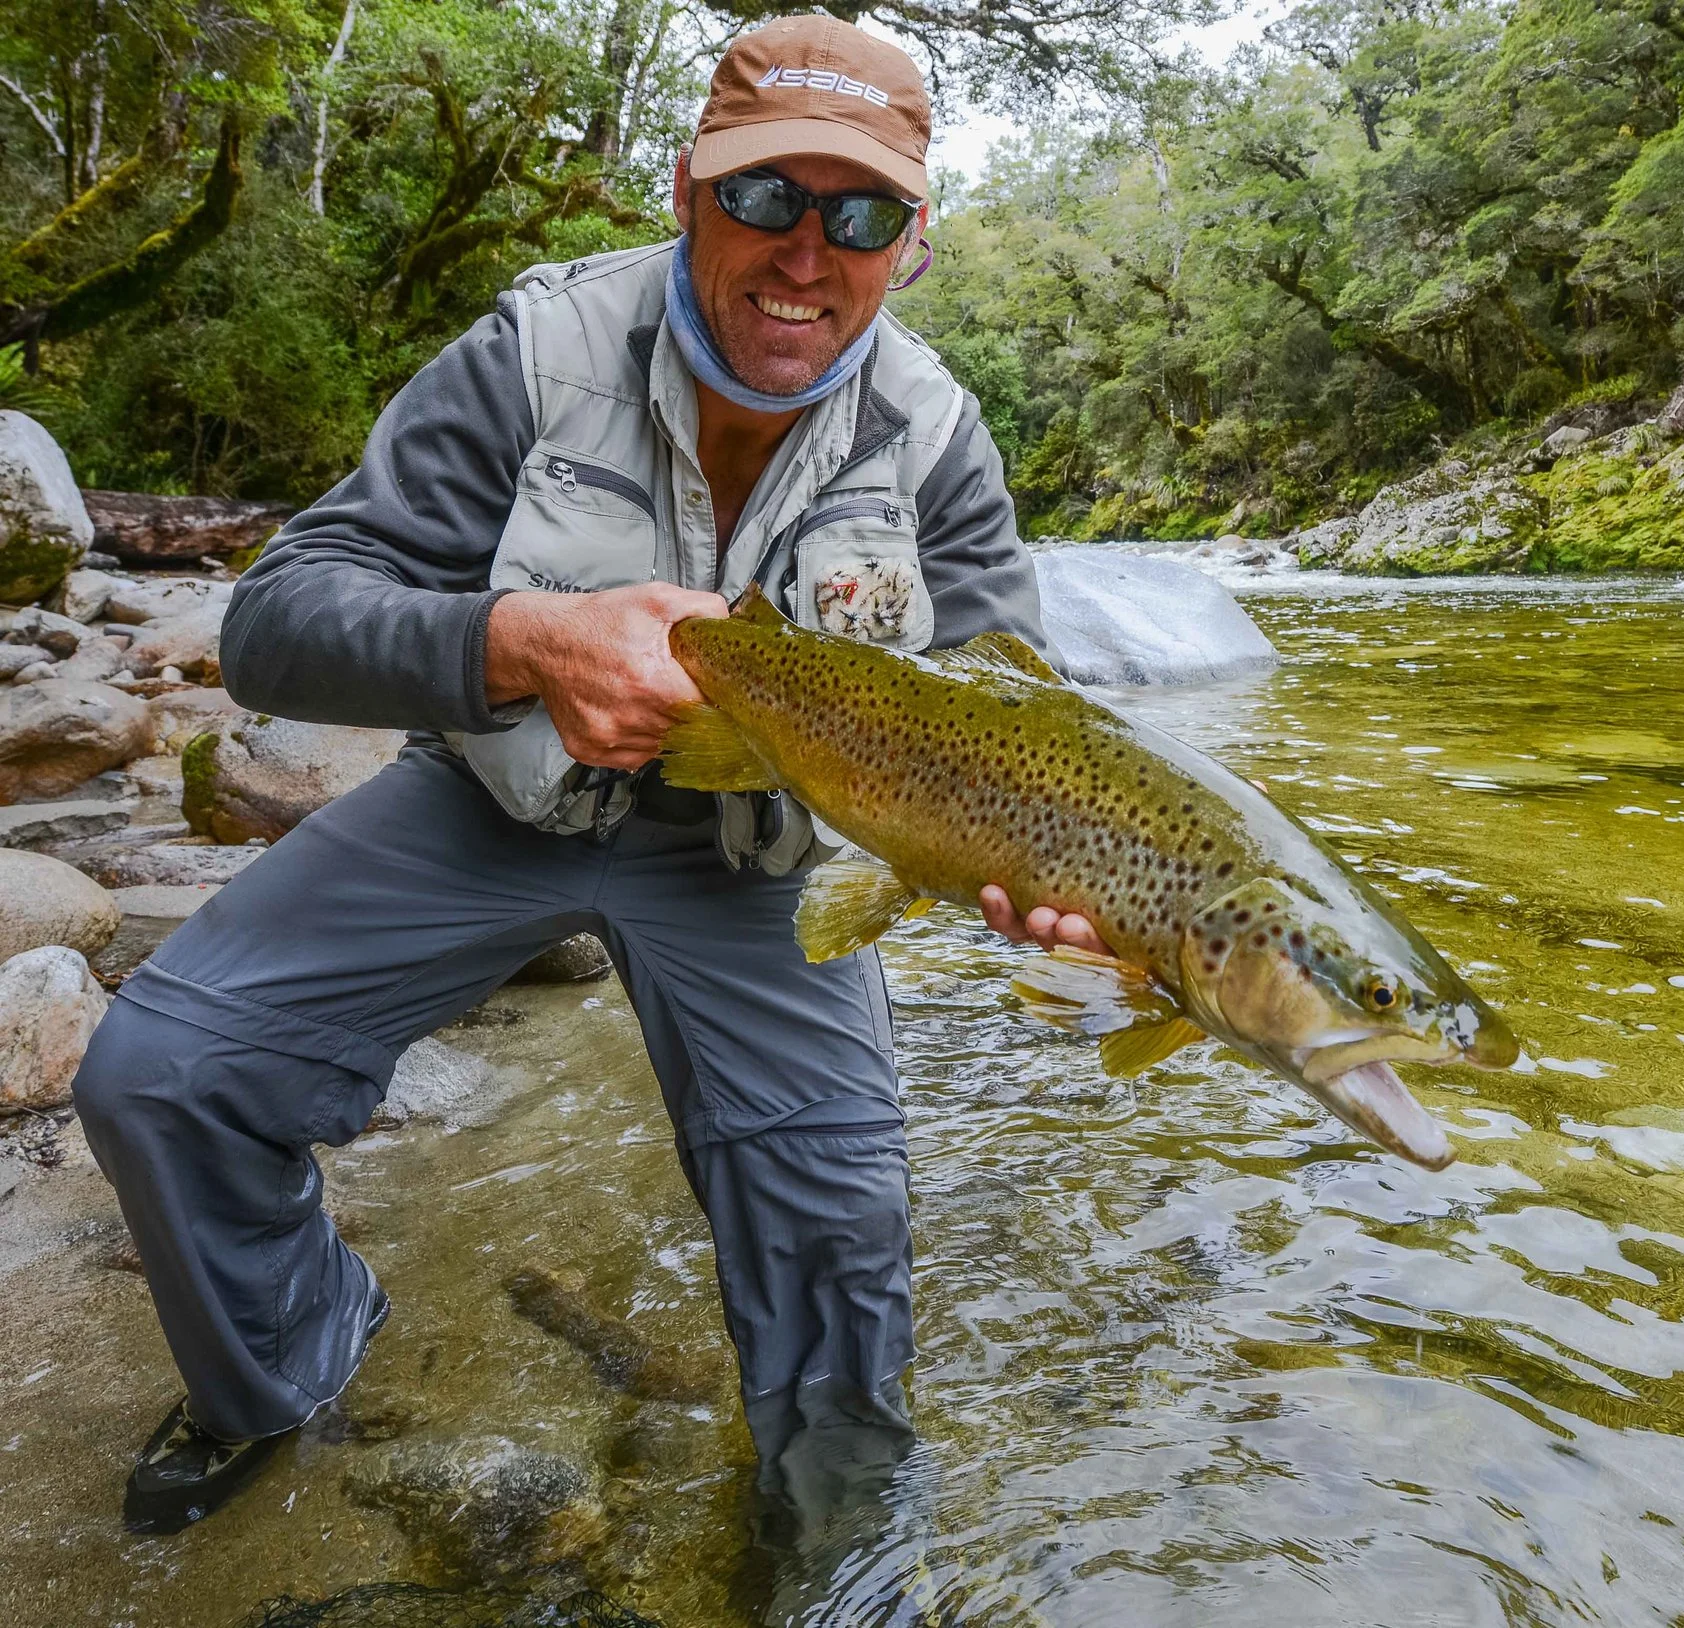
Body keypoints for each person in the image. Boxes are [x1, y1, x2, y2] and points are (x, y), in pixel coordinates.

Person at [72, 14, 1100, 1537]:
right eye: (765, 200)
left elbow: (1020, 713)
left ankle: (835, 1530)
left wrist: (1045, 879)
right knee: (160, 1078)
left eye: (860, 214)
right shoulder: (533, 353)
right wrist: (524, 638)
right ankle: (285, 1360)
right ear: (688, 190)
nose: (805, 255)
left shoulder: (939, 438)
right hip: (494, 802)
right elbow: (278, 624)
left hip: (752, 859)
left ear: (914, 244)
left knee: (841, 1219)